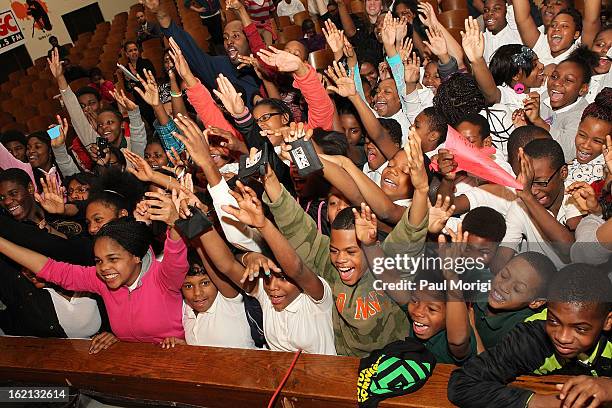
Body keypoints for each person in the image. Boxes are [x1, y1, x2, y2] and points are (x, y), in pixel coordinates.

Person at [0, 215, 189, 346]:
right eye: (99, 261)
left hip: (180, 365)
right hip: (134, 367)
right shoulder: (101, 280)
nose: (104, 268)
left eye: (113, 259)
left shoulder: (164, 276)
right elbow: (50, 268)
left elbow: (176, 249)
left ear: (136, 256)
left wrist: (174, 220)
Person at [448, 263, 612, 408]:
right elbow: (462, 383)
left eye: (580, 329)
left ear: (607, 321)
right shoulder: (532, 337)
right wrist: (542, 402)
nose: (562, 337)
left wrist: (608, 387)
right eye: (554, 321)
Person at [495, 138, 583, 270]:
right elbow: (501, 260)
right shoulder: (520, 205)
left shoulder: (578, 195)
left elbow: (570, 250)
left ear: (563, 173)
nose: (533, 190)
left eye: (541, 182)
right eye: (528, 182)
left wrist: (527, 197)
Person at [472, 251, 556, 352]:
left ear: (535, 302)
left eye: (517, 289)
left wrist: (470, 324)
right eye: (504, 275)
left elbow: (491, 366)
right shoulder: (479, 283)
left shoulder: (522, 331)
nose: (503, 286)